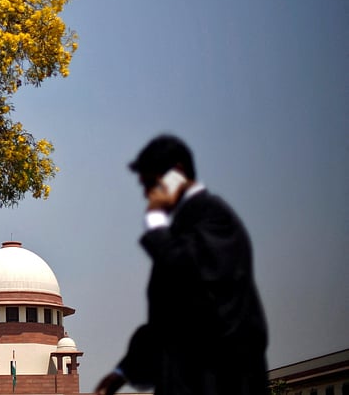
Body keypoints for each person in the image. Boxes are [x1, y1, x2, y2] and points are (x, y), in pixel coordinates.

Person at [95, 135, 268, 395]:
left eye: (151, 183)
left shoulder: (215, 218)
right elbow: (171, 316)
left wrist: (154, 222)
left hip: (221, 381)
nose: (147, 194)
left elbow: (194, 285)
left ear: (177, 173)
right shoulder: (182, 229)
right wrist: (125, 371)